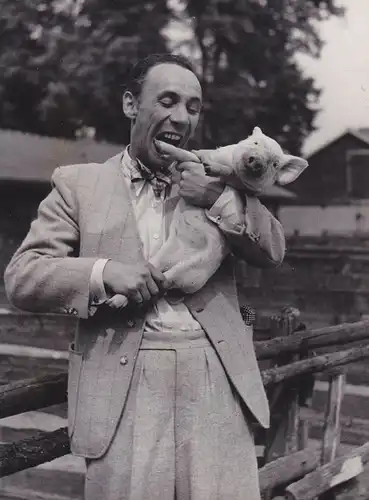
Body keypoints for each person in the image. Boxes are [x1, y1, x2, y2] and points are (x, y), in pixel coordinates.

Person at [4, 53, 286, 500]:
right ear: (131, 105)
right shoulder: (79, 184)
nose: (181, 117)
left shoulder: (218, 176)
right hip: (124, 382)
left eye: (192, 107)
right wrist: (103, 272)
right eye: (168, 101)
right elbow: (22, 277)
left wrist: (215, 195)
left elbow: (272, 250)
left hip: (214, 374)